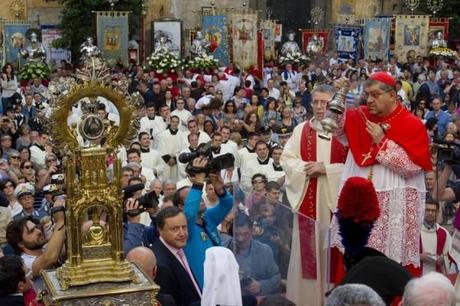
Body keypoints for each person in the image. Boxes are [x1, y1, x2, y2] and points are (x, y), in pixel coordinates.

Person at [331, 72, 432, 275]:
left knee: (386, 264)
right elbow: (335, 128)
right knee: (353, 259)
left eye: (375, 95)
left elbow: (410, 168)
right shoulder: (359, 115)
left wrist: (382, 142)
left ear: (393, 95)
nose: (369, 100)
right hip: (359, 201)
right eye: (367, 94)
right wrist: (339, 95)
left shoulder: (411, 124)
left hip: (392, 205)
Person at [281, 84, 347, 306]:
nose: (320, 107)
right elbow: (287, 160)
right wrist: (307, 168)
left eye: (325, 102)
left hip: (334, 204)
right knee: (307, 258)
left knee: (332, 256)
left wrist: (326, 169)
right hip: (307, 202)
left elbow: (354, 167)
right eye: (316, 102)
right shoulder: (301, 130)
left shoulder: (344, 133)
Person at [183, 157, 233, 289]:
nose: (199, 198)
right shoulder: (184, 227)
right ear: (180, 206)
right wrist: (198, 182)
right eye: (192, 197)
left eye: (199, 195)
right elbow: (189, 213)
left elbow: (227, 204)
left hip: (222, 277)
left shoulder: (208, 217)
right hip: (204, 286)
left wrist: (220, 190)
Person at [6, 197, 66, 291]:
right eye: (31, 231)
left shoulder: (45, 248)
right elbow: (50, 258)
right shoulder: (24, 263)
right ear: (20, 243)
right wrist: (60, 221)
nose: (38, 231)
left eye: (36, 228)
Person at [150, 206, 201, 306]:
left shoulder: (179, 248)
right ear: (160, 230)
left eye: (184, 227)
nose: (182, 233)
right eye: (175, 229)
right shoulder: (160, 264)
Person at [227, 211, 281, 296]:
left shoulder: (264, 251)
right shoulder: (225, 250)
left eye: (245, 234)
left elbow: (276, 278)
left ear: (252, 231)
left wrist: (260, 286)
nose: (240, 239)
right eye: (236, 234)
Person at [420, 197, 453, 275]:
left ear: (437, 212)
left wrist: (443, 259)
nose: (430, 213)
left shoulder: (443, 233)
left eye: (433, 210)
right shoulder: (414, 231)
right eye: (427, 210)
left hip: (436, 277)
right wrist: (419, 257)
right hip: (416, 276)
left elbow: (451, 255)